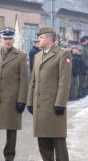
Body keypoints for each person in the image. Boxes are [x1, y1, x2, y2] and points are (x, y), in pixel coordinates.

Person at [27, 27, 71, 161]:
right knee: (43, 143)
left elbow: (64, 81)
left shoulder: (62, 54)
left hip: (54, 106)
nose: (38, 40)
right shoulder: (38, 56)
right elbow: (33, 80)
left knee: (58, 142)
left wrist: (60, 103)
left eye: (41, 37)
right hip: (40, 107)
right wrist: (29, 102)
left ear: (50, 39)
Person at [0, 27, 29, 161]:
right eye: (5, 39)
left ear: (13, 40)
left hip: (12, 99)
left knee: (11, 130)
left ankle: (9, 156)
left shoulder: (21, 56)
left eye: (10, 39)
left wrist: (22, 100)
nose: (8, 41)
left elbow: (24, 80)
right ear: (0, 40)